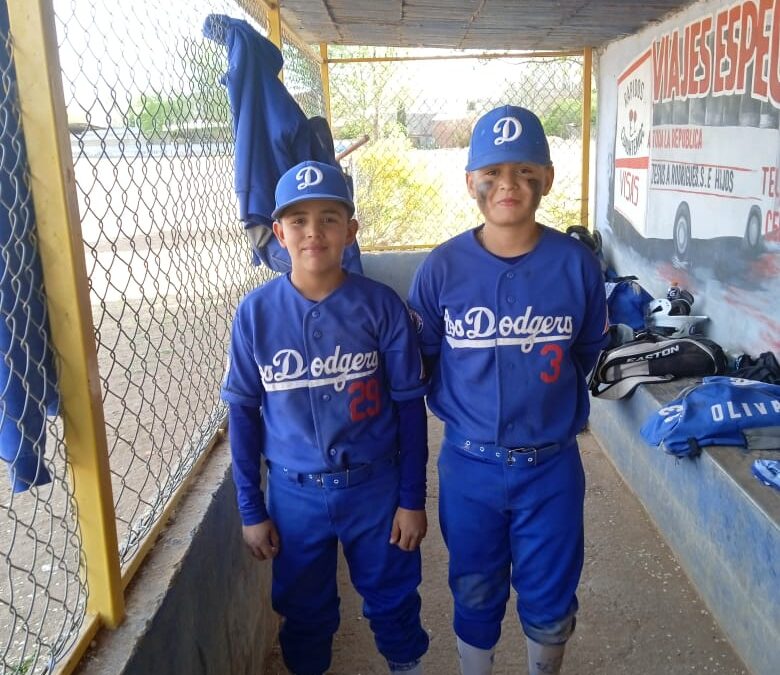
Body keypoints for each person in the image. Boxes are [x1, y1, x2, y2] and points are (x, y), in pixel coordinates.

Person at [407, 105, 609, 675]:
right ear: (470, 182)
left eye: (524, 172)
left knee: (550, 597)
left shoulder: (576, 264)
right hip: (469, 464)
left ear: (546, 179)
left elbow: (587, 352)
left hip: (551, 466)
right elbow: (422, 363)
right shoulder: (442, 267)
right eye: (492, 174)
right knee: (473, 588)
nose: (508, 186)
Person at [222, 160, 430, 675]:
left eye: (330, 218)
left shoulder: (380, 306)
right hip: (293, 495)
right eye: (298, 220)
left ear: (351, 231)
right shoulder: (255, 313)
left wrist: (411, 499)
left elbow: (409, 408)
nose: (314, 231)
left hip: (375, 488)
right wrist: (251, 508)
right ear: (278, 233)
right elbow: (244, 415)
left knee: (393, 600)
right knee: (304, 611)